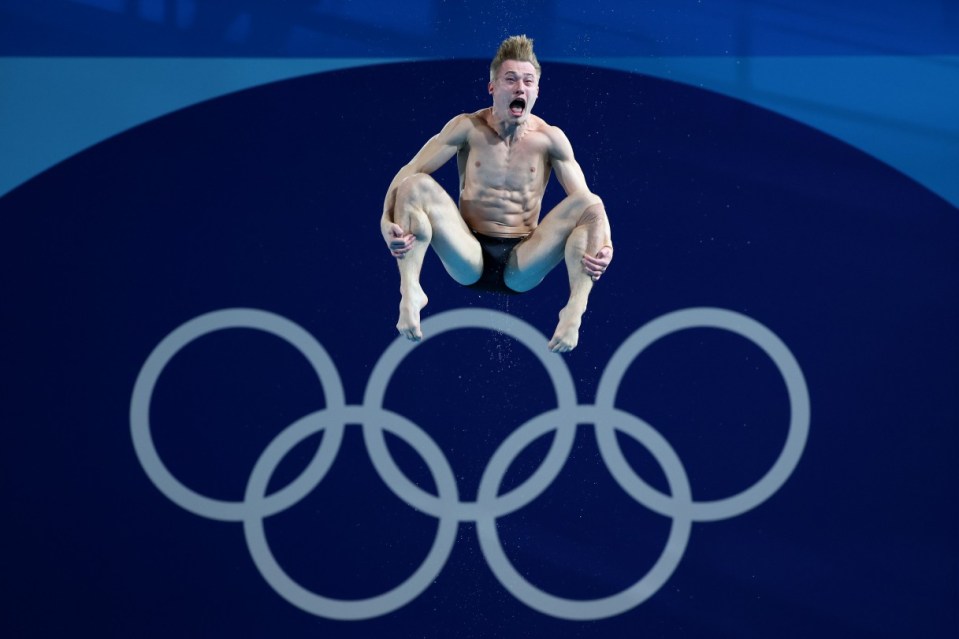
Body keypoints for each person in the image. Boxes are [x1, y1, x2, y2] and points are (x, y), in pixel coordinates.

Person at [381, 35, 613, 353]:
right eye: (511, 79)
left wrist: (606, 244)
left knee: (592, 204)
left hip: (523, 260)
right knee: (413, 185)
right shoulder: (467, 127)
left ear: (536, 91)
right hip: (468, 253)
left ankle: (574, 310)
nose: (520, 88)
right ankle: (410, 290)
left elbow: (588, 211)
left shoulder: (551, 140)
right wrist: (386, 224)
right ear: (492, 87)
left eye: (528, 81)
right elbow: (409, 171)